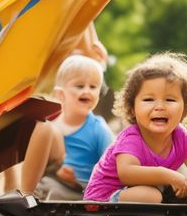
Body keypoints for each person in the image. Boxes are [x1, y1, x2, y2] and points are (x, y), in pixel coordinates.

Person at [83, 54, 187, 203]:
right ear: (132, 108)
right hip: (104, 198)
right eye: (148, 100)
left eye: (170, 100)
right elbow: (127, 173)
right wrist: (167, 175)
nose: (159, 107)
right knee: (152, 194)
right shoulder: (132, 138)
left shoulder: (180, 137)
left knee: (178, 186)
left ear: (185, 109)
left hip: (141, 195)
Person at [8, 55, 114, 200]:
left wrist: (77, 181)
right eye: (80, 86)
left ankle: (31, 196)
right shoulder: (53, 123)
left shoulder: (99, 129)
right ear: (61, 94)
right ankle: (26, 194)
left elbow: (112, 169)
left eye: (93, 87)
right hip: (52, 177)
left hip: (80, 190)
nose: (87, 91)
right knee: (43, 128)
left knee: (51, 189)